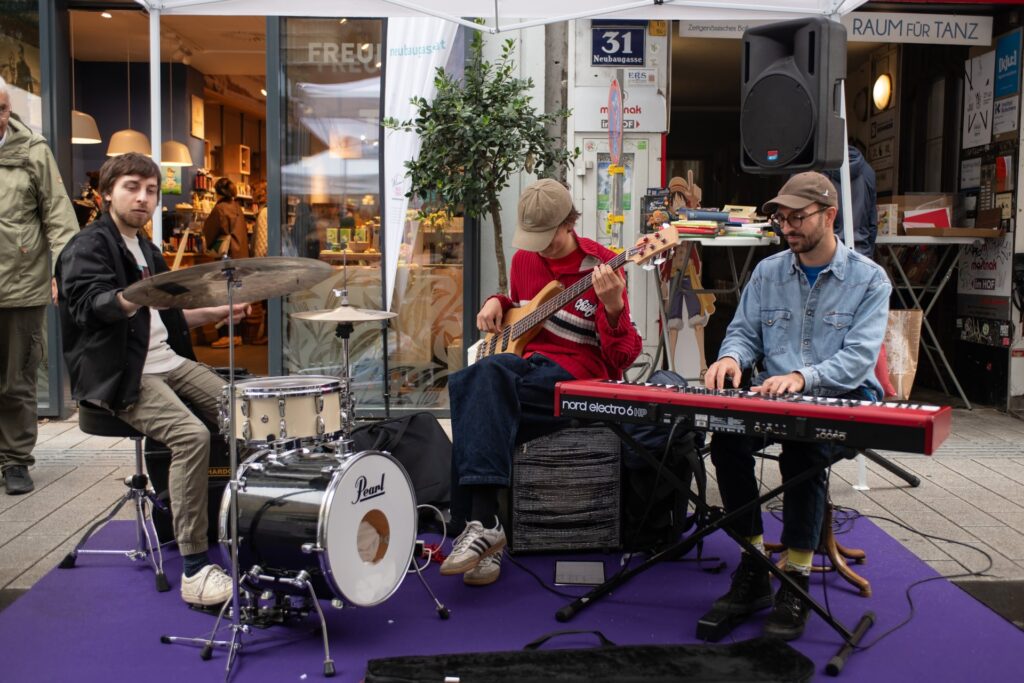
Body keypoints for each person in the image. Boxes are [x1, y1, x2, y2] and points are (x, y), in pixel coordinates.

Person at [702, 171, 890, 641]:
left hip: (842, 397)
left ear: (830, 215)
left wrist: (803, 377)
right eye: (781, 218)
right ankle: (754, 563)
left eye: (798, 217)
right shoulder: (768, 272)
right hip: (774, 395)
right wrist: (730, 358)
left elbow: (858, 359)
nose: (787, 227)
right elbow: (744, 332)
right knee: (725, 437)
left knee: (804, 450)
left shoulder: (869, 280)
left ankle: (798, 577)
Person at [56, 153, 249, 607]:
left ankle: (249, 525)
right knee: (191, 436)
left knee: (247, 410)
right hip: (121, 372)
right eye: (131, 187)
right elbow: (88, 308)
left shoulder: (148, 250)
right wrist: (131, 296)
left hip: (166, 361)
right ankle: (196, 568)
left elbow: (167, 318)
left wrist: (219, 312)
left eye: (150, 190)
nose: (142, 197)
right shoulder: (89, 246)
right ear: (107, 194)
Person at [441, 179, 642, 586]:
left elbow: (623, 358)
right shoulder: (524, 261)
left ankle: (476, 524)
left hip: (578, 381)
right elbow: (523, 311)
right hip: (527, 374)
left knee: (478, 385)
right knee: (474, 383)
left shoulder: (603, 266)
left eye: (547, 239)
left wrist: (614, 305)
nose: (539, 248)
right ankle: (486, 533)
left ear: (570, 223)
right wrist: (497, 301)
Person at [0, 77, 78, 495]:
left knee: (18, 378)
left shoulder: (33, 152)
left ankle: (15, 460)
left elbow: (59, 216)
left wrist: (63, 273)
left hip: (21, 285)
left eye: (1, 109)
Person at [202, 177, 250, 347]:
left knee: (223, 296)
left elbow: (209, 230)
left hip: (226, 256)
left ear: (216, 191)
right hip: (240, 255)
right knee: (236, 294)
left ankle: (226, 335)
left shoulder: (220, 209)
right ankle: (237, 334)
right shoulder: (237, 207)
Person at [825, 145, 878, 258]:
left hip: (830, 252)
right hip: (861, 252)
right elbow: (872, 222)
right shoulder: (868, 172)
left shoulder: (821, 173)